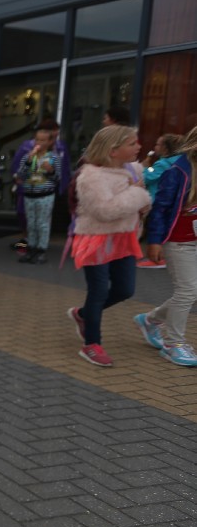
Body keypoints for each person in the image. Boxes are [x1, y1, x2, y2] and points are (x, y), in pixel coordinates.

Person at [67, 125, 152, 368]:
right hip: (96, 238)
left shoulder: (134, 170)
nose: (138, 147)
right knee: (98, 291)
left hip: (124, 237)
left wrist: (143, 203)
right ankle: (92, 344)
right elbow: (105, 211)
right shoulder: (91, 176)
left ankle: (83, 314)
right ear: (113, 150)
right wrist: (138, 195)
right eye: (132, 143)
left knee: (125, 289)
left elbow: (140, 203)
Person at [136, 126, 197, 367]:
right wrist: (154, 241)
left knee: (191, 291)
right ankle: (173, 344)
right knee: (187, 291)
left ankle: (150, 320)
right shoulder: (177, 171)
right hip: (179, 241)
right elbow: (160, 208)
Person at [13, 126, 63, 264]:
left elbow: (58, 178)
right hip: (29, 194)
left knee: (42, 223)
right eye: (37, 139)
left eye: (43, 140)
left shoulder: (53, 157)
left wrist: (51, 171)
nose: (39, 143)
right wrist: (28, 162)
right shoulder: (27, 156)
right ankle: (31, 248)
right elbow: (20, 175)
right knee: (31, 223)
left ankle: (41, 250)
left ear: (50, 142)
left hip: (45, 195)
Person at [138, 133, 185, 270]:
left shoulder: (163, 163)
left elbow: (147, 177)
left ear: (165, 148)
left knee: (153, 227)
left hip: (156, 199)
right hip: (175, 202)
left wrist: (144, 167)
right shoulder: (180, 162)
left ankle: (156, 258)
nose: (155, 147)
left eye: (158, 144)